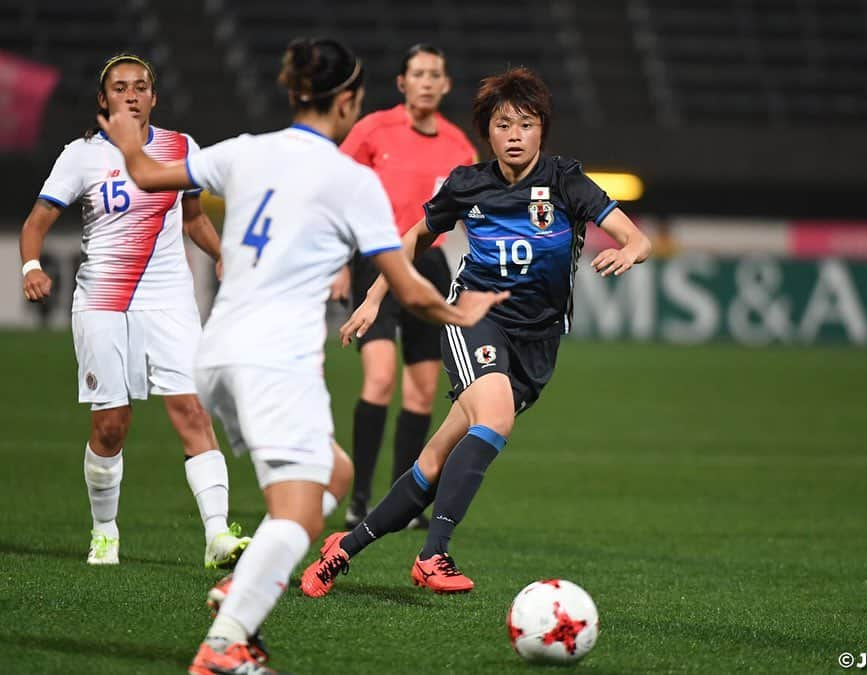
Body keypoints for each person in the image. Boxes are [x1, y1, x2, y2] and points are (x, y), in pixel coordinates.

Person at [97, 37, 507, 674]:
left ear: (294, 92)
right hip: (274, 362)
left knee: (334, 479)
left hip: (218, 353)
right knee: (296, 513)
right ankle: (226, 644)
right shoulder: (351, 180)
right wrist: (460, 312)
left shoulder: (246, 149)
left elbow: (149, 175)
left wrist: (126, 138)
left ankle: (245, 586)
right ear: (347, 100)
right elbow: (407, 285)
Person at [300, 66, 652, 597]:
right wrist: (375, 295)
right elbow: (414, 237)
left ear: (542, 131)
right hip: (473, 318)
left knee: (437, 460)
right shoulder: (468, 183)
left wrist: (629, 250)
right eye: (503, 124)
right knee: (495, 418)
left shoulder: (564, 181)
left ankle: (343, 549)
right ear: (487, 132)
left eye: (526, 124)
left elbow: (635, 237)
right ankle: (433, 553)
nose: (514, 135)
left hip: (538, 345)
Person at [19, 53, 250, 568]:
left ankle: (218, 536)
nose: (130, 94)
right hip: (102, 301)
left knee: (192, 409)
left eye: (140, 86)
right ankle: (105, 530)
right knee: (111, 426)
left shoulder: (179, 147)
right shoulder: (81, 155)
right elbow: (36, 221)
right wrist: (31, 266)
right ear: (103, 99)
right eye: (119, 87)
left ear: (153, 97)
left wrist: (224, 256)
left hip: (169, 298)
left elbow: (192, 219)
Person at [338, 44, 478, 530]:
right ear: (402, 82)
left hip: (429, 267)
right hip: (372, 261)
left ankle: (401, 499)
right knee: (379, 378)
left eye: (434, 74)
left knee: (421, 393)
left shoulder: (460, 147)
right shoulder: (374, 130)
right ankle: (359, 498)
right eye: (417, 73)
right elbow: (334, 191)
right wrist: (338, 263)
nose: (425, 81)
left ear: (445, 85)